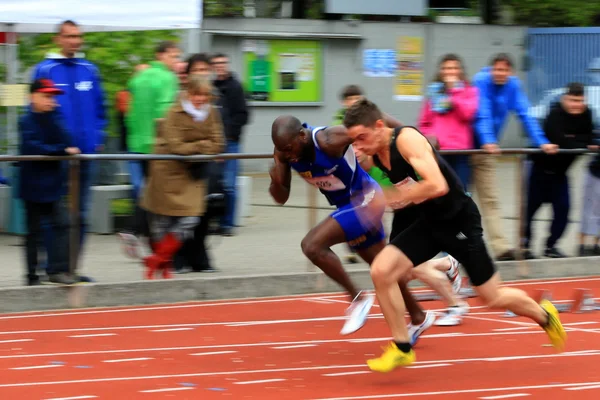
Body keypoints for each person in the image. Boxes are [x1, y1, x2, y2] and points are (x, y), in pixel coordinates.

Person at [343, 98, 567, 373]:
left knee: (492, 297)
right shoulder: (374, 154)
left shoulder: (407, 139)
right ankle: (402, 348)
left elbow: (436, 185)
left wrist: (390, 197)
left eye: (361, 138)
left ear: (379, 126)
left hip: (459, 221)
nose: (358, 147)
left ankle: (546, 316)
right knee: (381, 270)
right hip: (429, 223)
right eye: (353, 142)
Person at [139, 75, 224, 279]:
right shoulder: (173, 113)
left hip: (192, 173)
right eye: (197, 94)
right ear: (188, 93)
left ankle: (158, 258)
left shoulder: (211, 112)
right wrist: (203, 145)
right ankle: (164, 265)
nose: (201, 99)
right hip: (167, 172)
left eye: (205, 95)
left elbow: (219, 142)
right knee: (162, 222)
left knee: (191, 217)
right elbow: (176, 146)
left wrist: (196, 148)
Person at [472, 53, 554, 261]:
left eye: (504, 70)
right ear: (491, 69)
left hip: (485, 152)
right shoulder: (480, 81)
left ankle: (500, 248)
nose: (500, 73)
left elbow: (525, 114)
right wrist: (488, 139)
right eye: (497, 69)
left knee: (491, 199)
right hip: (466, 147)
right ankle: (452, 248)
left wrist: (541, 141)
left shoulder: (513, 86)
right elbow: (482, 113)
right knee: (461, 199)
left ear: (511, 72)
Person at [18, 79, 81, 286]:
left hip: (53, 184)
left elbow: (67, 140)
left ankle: (57, 270)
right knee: (33, 232)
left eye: (52, 97)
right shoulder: (26, 121)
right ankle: (31, 275)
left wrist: (55, 116)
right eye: (45, 96)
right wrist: (59, 151)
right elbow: (33, 147)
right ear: (32, 97)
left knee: (63, 224)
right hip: (33, 185)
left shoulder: (54, 118)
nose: (50, 101)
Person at [524, 82, 595, 259]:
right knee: (529, 211)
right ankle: (526, 246)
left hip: (560, 173)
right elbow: (559, 139)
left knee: (563, 210)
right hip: (539, 169)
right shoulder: (554, 113)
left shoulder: (587, 114)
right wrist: (578, 143)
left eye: (580, 101)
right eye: (572, 100)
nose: (576, 105)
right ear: (564, 99)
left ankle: (551, 245)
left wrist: (574, 142)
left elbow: (587, 138)